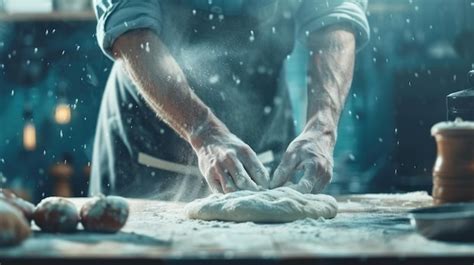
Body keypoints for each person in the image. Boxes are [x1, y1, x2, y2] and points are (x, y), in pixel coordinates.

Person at [90, 0, 370, 201]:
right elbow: (131, 31)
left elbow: (335, 17)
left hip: (264, 134)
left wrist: (322, 128)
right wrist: (202, 131)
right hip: (147, 139)